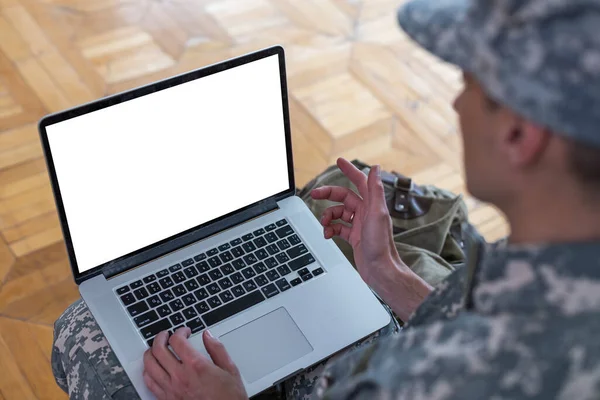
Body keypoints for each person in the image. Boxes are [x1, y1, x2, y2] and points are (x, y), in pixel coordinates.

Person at [52, 0, 600, 398]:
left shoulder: (441, 379)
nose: (456, 105)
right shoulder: (554, 267)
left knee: (79, 328)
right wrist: (387, 273)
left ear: (520, 136)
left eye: (471, 84)